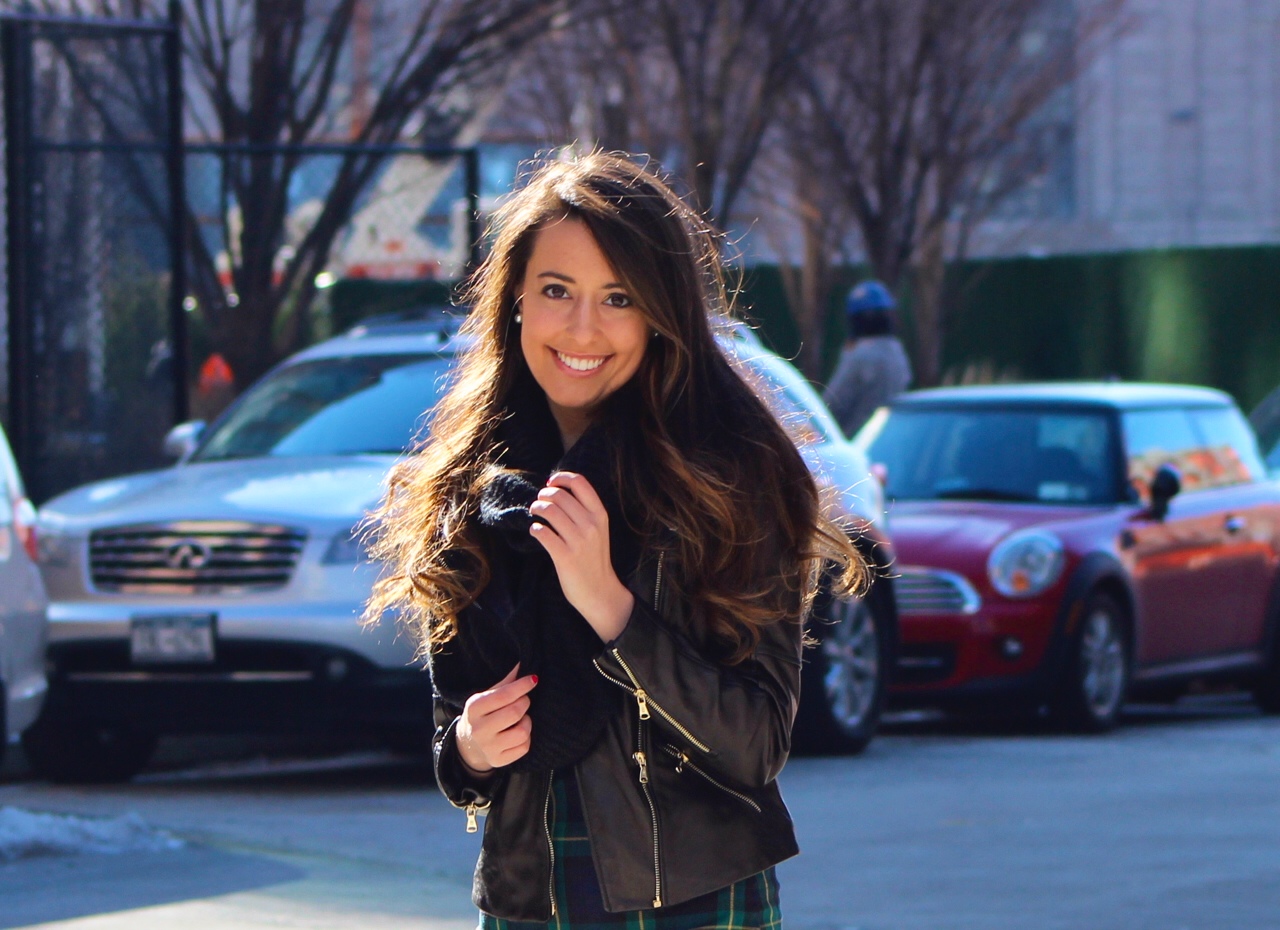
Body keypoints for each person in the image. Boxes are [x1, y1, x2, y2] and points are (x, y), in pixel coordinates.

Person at [365, 152, 865, 927]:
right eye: (556, 291)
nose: (582, 329)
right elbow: (455, 744)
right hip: (530, 901)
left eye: (619, 298)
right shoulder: (472, 490)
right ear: (517, 302)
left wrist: (611, 610)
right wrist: (466, 746)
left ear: (662, 313)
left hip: (697, 902)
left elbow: (756, 746)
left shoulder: (732, 475)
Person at [822, 280, 913, 438]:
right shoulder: (898, 352)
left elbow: (832, 405)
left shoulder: (860, 356)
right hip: (889, 440)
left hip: (856, 442)